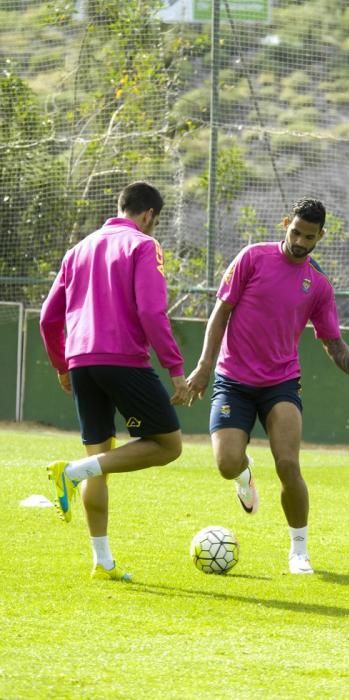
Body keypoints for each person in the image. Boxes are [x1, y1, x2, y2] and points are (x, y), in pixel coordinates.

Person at [186, 198, 349, 575]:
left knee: (289, 464)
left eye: (310, 237)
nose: (300, 242)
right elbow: (221, 311)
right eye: (296, 232)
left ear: (321, 236)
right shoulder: (252, 258)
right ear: (285, 223)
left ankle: (299, 550)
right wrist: (204, 366)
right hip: (233, 380)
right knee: (227, 464)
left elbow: (332, 342)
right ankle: (243, 474)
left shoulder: (319, 285)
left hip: (281, 384)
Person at [40, 181, 190, 582]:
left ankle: (102, 561)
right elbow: (152, 311)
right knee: (168, 445)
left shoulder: (78, 250)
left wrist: (61, 364)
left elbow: (47, 317)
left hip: (82, 362)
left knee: (98, 462)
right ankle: (71, 472)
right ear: (149, 216)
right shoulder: (143, 245)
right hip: (122, 359)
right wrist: (175, 368)